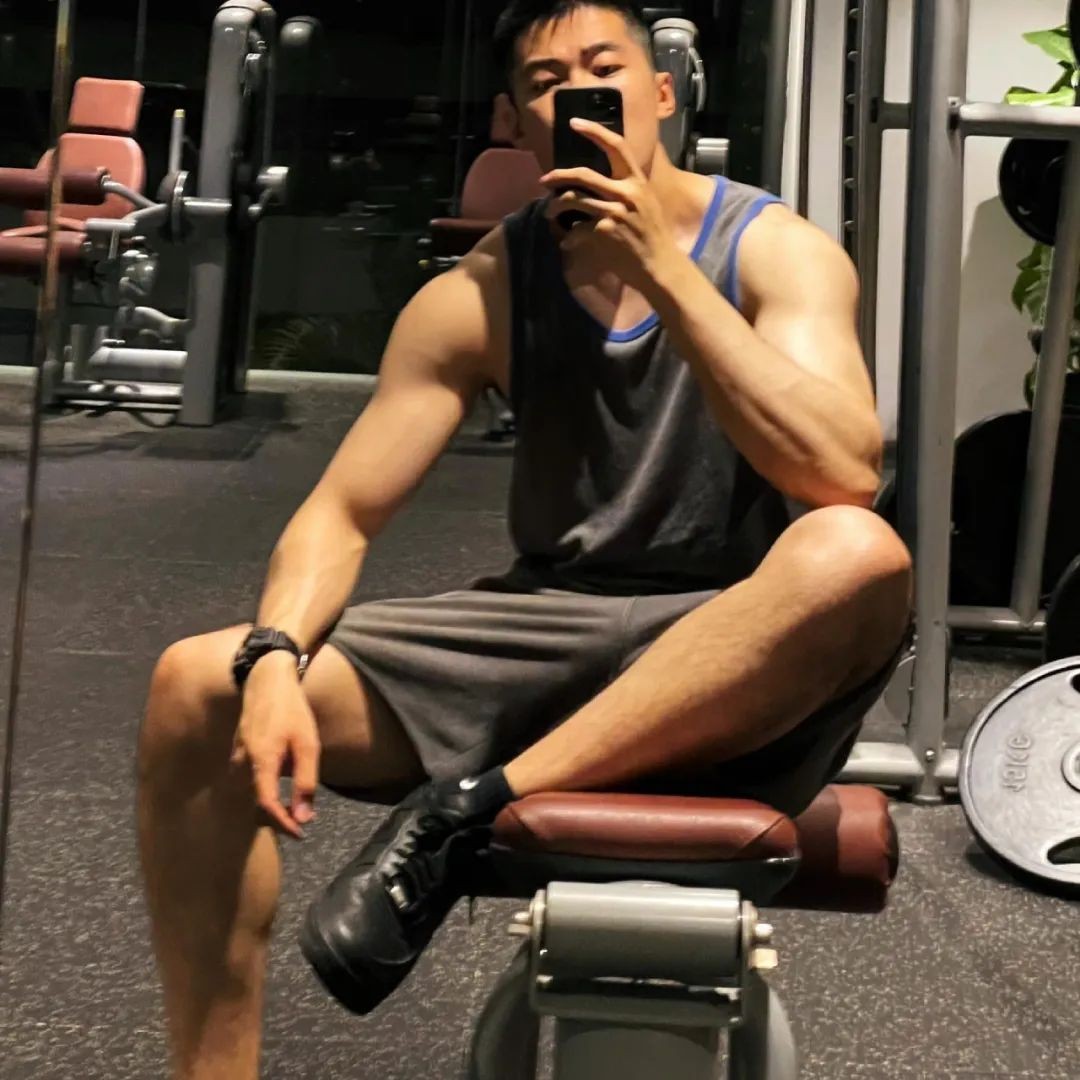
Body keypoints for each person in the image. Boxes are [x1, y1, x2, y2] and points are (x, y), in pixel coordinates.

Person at [136, 1, 913, 1076]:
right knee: (195, 684)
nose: (577, 98)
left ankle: (465, 814)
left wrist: (666, 272)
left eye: (603, 70)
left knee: (858, 552)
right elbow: (342, 512)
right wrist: (274, 658)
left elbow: (841, 473)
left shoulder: (779, 251)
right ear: (513, 120)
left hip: (729, 647)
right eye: (547, 83)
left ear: (661, 94)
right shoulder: (482, 292)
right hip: (542, 634)